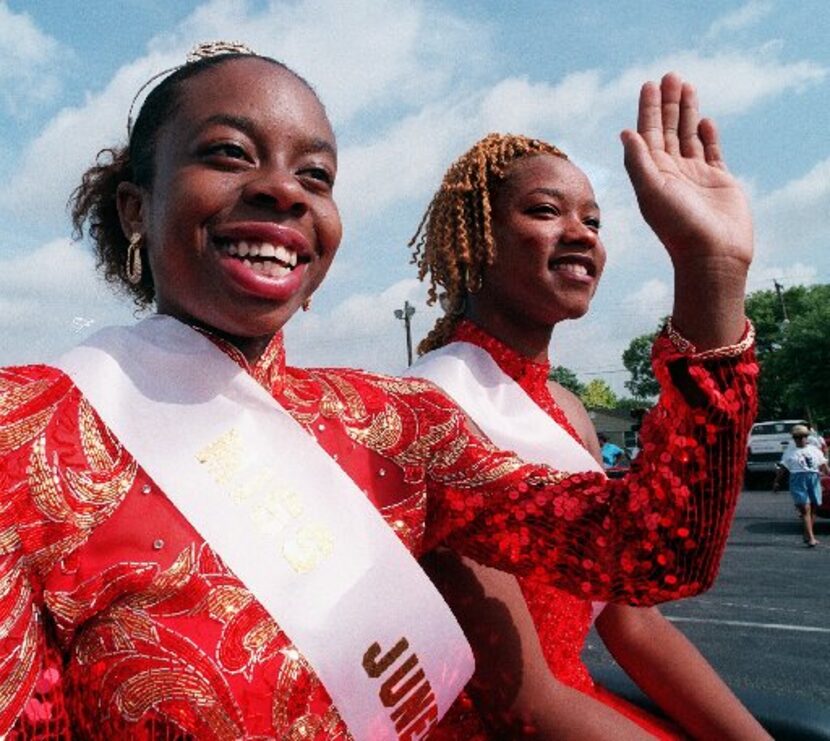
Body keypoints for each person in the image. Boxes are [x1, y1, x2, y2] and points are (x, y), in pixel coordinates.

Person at [0, 46, 758, 739]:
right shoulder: (26, 433)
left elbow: (655, 551)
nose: (281, 191)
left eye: (316, 176)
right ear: (137, 206)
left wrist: (710, 275)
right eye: (230, 154)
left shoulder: (395, 426)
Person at [407, 84, 766, 738]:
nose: (579, 233)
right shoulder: (431, 410)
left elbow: (631, 617)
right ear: (475, 240)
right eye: (546, 210)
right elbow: (526, 700)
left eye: (594, 220)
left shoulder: (569, 410)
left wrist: (712, 264)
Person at [774, 423, 829, 547]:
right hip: (797, 479)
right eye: (796, 437)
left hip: (814, 478)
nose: (799, 439)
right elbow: (783, 468)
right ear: (793, 438)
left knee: (814, 507)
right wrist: (776, 481)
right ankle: (811, 538)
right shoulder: (790, 452)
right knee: (805, 508)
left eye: (802, 436)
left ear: (807, 437)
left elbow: (824, 466)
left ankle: (807, 534)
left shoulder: (814, 450)